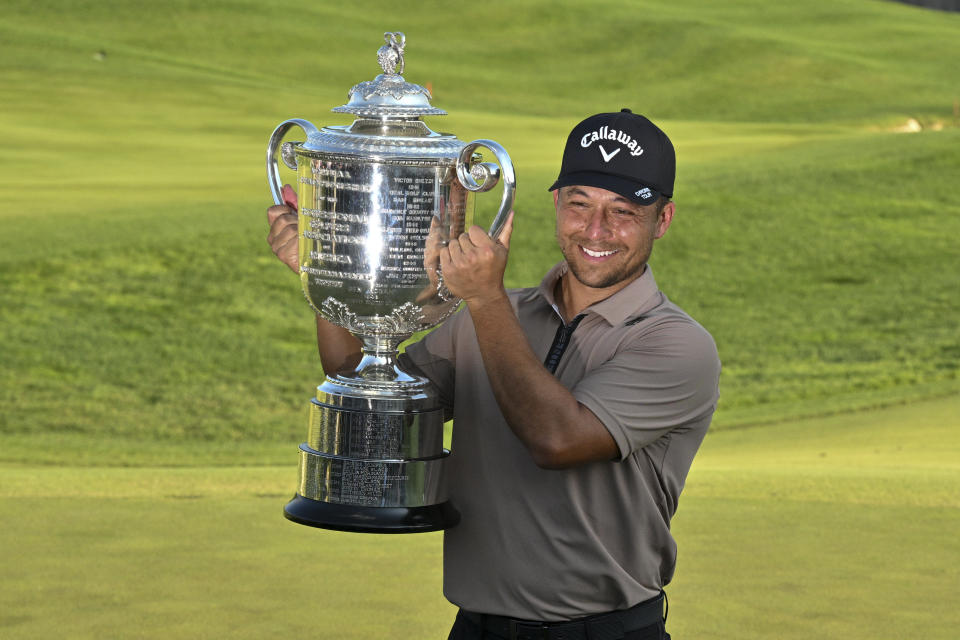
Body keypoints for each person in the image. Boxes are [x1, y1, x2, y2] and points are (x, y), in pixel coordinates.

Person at [267, 109, 721, 640]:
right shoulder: (502, 313)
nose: (597, 230)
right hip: (476, 629)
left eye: (623, 212)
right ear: (556, 204)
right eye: (580, 205)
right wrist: (327, 275)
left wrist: (484, 299)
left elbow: (557, 440)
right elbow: (370, 390)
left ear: (661, 220)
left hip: (603, 632)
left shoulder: (675, 343)